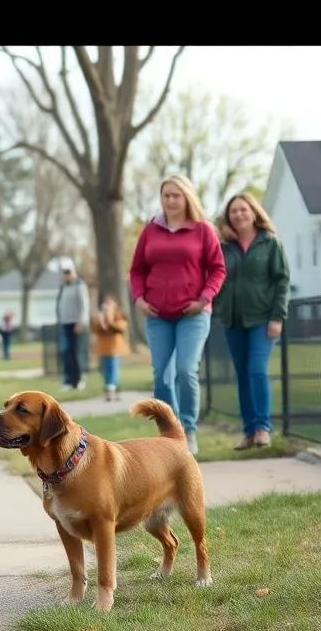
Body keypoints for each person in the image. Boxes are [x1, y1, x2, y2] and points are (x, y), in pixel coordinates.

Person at [129, 175, 227, 455]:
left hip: (193, 314)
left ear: (187, 198)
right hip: (157, 314)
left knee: (186, 370)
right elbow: (137, 270)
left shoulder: (203, 230)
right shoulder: (150, 230)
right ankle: (169, 435)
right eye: (166, 195)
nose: (171, 200)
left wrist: (204, 298)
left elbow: (218, 269)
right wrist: (139, 298)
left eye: (176, 195)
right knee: (162, 376)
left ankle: (189, 430)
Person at [212, 192, 291, 450]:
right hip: (233, 320)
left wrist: (277, 317)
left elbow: (282, 281)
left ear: (254, 212)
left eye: (243, 209)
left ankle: (262, 428)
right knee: (243, 375)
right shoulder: (224, 246)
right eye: (233, 211)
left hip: (263, 319)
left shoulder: (269, 243)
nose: (239, 214)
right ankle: (248, 432)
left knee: (257, 370)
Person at [55, 264, 91, 390]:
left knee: (77, 354)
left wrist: (81, 322)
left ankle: (78, 380)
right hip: (65, 323)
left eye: (69, 273)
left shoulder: (79, 285)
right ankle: (68, 381)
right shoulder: (63, 287)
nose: (67, 276)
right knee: (66, 353)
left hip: (76, 324)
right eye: (65, 274)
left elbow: (84, 305)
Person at [90, 294, 130, 401]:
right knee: (105, 369)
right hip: (104, 348)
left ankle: (111, 388)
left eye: (110, 303)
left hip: (116, 347)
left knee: (113, 368)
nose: (107, 306)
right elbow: (95, 329)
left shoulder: (119, 315)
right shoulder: (99, 317)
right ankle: (113, 387)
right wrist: (101, 320)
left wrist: (110, 321)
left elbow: (121, 328)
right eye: (105, 303)